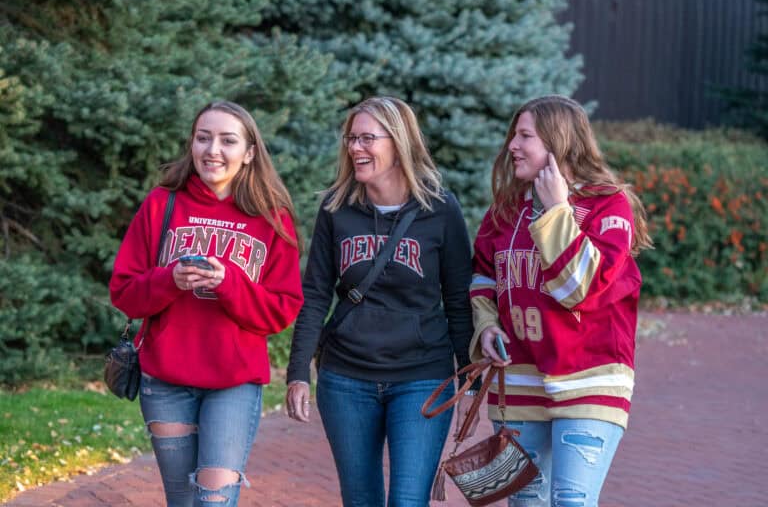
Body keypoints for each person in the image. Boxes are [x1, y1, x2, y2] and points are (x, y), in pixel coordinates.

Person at [109, 101, 303, 507]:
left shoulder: (271, 217)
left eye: (227, 140)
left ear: (249, 152)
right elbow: (124, 292)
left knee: (214, 501)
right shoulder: (163, 204)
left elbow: (282, 310)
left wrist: (229, 282)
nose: (213, 149)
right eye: (203, 138)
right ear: (192, 145)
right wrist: (171, 279)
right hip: (165, 381)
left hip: (232, 382)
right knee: (183, 501)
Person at [285, 96, 477, 506]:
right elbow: (316, 294)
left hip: (423, 377)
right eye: (351, 138)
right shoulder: (337, 208)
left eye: (367, 138)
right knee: (361, 499)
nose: (356, 148)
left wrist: (468, 383)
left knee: (408, 500)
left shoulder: (440, 209)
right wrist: (298, 371)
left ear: (399, 142)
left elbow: (459, 300)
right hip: (345, 379)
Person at [469, 94, 652, 507]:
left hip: (589, 382)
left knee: (571, 500)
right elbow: (482, 275)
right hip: (517, 383)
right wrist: (485, 325)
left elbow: (578, 291)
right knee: (524, 503)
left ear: (558, 142)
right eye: (514, 135)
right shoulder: (506, 209)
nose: (512, 145)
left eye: (525, 136)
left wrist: (555, 209)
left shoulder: (608, 206)